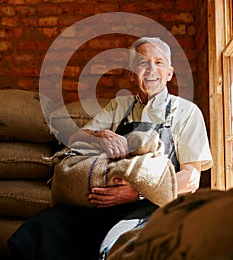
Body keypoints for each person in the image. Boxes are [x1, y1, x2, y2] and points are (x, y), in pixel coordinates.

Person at [8, 37, 213, 260]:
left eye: (159, 62)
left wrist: (138, 192)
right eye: (143, 63)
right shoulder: (120, 106)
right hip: (108, 203)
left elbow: (191, 178)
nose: (151, 69)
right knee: (43, 228)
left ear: (170, 73)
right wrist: (100, 137)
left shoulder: (186, 112)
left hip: (154, 206)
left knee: (115, 245)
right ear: (131, 74)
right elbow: (77, 138)